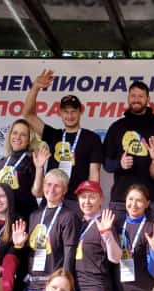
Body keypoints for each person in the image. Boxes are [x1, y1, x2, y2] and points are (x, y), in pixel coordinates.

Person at [23, 69, 104, 202]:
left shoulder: (92, 138)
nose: (70, 115)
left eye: (73, 111)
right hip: (51, 199)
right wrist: (35, 87)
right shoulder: (53, 135)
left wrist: (90, 201)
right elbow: (28, 115)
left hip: (77, 201)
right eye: (66, 111)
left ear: (80, 111)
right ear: (60, 113)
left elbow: (94, 174)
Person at [103, 81, 154, 222]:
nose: (136, 99)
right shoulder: (117, 127)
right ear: (128, 98)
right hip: (121, 201)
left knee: (153, 237)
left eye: (141, 96)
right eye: (133, 96)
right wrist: (119, 164)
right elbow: (106, 163)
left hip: (151, 200)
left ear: (148, 99)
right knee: (116, 237)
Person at [14, 169, 80, 291]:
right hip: (31, 286)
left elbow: (69, 255)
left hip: (52, 288)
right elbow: (28, 252)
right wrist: (19, 245)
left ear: (65, 190)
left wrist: (64, 286)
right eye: (48, 184)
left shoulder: (68, 216)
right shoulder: (34, 215)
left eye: (57, 186)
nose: (52, 189)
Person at [0, 118, 49, 219]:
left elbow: (39, 193)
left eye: (23, 135)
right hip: (3, 218)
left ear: (29, 140)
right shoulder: (1, 162)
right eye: (15, 133)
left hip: (23, 218)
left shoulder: (32, 161)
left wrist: (39, 168)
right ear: (10, 135)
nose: (17, 137)